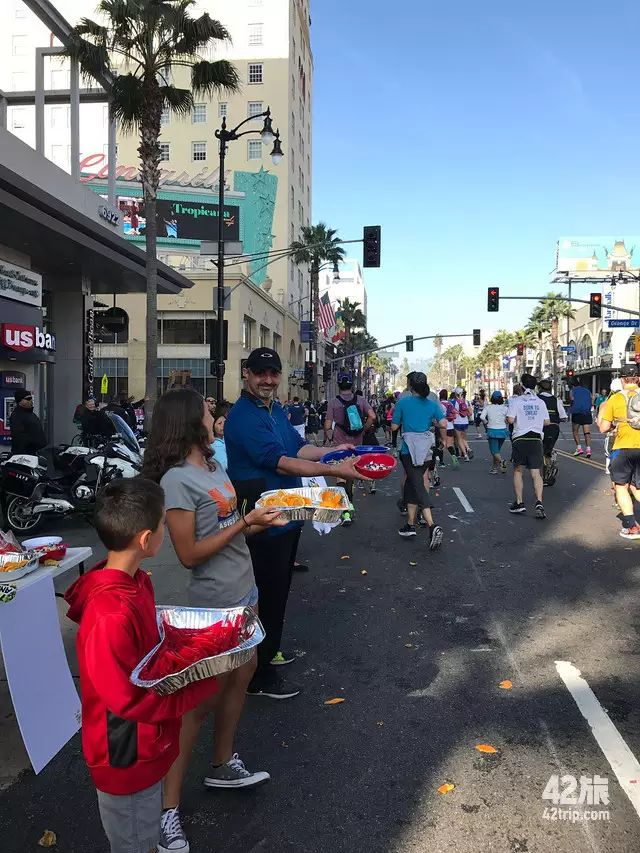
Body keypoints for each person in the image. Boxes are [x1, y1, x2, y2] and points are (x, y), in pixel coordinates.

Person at [142, 389, 282, 849]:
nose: (215, 416)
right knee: (197, 705)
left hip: (245, 591)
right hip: (213, 604)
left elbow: (229, 526)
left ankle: (222, 764)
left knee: (243, 675)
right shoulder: (177, 481)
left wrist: (260, 521)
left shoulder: (212, 465)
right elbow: (188, 554)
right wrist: (244, 523)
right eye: (207, 412)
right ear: (189, 421)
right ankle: (166, 811)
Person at [64, 478, 218, 853]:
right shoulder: (110, 615)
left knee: (143, 832)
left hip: (146, 742)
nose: (168, 529)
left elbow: (148, 654)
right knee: (135, 839)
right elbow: (126, 700)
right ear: (146, 539)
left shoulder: (135, 583)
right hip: (126, 752)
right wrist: (196, 688)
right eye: (164, 524)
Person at [225, 348, 370, 698]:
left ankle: (269, 653)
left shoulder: (274, 410)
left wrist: (339, 451)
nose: (268, 380)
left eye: (273, 373)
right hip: (261, 519)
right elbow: (282, 462)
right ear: (246, 373)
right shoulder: (243, 416)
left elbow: (300, 448)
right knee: (264, 595)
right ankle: (256, 677)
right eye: (260, 373)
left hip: (286, 515)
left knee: (278, 593)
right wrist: (334, 470)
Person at [391, 372, 446, 548]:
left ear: (410, 386)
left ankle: (432, 525)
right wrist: (432, 423)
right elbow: (443, 423)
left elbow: (394, 426)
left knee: (417, 486)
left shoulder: (403, 402)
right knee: (411, 486)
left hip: (409, 451)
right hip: (426, 451)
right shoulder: (432, 404)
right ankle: (410, 524)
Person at [324, 371, 376, 525]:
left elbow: (327, 425)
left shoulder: (333, 402)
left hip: (339, 442)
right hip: (356, 442)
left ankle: (345, 511)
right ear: (352, 385)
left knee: (340, 475)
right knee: (351, 475)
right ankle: (350, 504)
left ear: (338, 385)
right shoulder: (360, 400)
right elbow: (372, 416)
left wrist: (330, 437)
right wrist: (364, 429)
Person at [598, 366, 640, 538]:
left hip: (623, 448)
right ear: (638, 379)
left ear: (622, 380)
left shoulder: (615, 399)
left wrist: (616, 425)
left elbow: (603, 427)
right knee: (637, 486)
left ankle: (631, 527)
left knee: (621, 486)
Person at [507, 373, 550, 518]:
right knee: (536, 473)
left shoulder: (517, 401)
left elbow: (510, 420)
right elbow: (546, 422)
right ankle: (539, 502)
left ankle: (519, 502)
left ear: (521, 385)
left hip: (520, 437)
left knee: (518, 470)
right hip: (536, 438)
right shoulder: (540, 402)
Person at [537, 378, 567, 467]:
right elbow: (563, 417)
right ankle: (550, 461)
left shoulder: (536, 399)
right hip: (554, 428)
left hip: (540, 428)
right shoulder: (556, 400)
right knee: (549, 447)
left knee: (539, 449)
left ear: (539, 388)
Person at [9, 389, 47, 456]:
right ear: (20, 401)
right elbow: (19, 437)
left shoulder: (30, 414)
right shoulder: (17, 416)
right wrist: (33, 444)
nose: (31, 401)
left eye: (31, 398)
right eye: (28, 399)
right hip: (24, 455)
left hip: (35, 452)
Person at [480, 391, 509, 473]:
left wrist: (486, 422)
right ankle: (494, 468)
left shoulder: (488, 407)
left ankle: (502, 461)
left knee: (494, 451)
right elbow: (508, 419)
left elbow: (482, 417)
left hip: (492, 430)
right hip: (502, 431)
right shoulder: (505, 408)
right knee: (497, 451)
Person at [569, 377, 593, 458]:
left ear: (572, 385)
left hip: (577, 412)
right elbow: (592, 399)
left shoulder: (572, 391)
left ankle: (579, 448)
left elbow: (572, 399)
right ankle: (588, 450)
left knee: (575, 430)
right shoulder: (587, 391)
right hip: (586, 412)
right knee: (587, 432)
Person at [452, 387, 472, 460]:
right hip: (465, 422)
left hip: (457, 422)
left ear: (455, 394)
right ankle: (468, 448)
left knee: (459, 439)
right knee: (463, 438)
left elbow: (451, 412)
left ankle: (466, 455)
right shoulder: (467, 402)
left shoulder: (453, 402)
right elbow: (470, 413)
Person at [211, 405, 228, 470]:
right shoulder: (216, 445)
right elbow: (225, 465)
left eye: (225, 422)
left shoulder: (225, 439)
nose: (223, 425)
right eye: (219, 423)